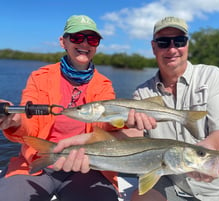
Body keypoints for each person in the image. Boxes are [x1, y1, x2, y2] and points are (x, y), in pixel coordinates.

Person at [0, 14, 155, 201]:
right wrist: (13, 121)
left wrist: (125, 123)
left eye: (93, 39)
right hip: (38, 161)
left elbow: (104, 130)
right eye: (76, 37)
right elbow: (30, 124)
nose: (85, 43)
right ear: (63, 42)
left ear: (97, 45)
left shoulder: (104, 84)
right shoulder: (40, 77)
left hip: (88, 165)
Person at [127, 16, 219, 201]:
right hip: (169, 182)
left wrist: (201, 158)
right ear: (154, 47)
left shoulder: (213, 76)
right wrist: (125, 130)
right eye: (163, 42)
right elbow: (136, 139)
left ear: (187, 45)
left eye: (179, 41)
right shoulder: (142, 92)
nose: (172, 48)